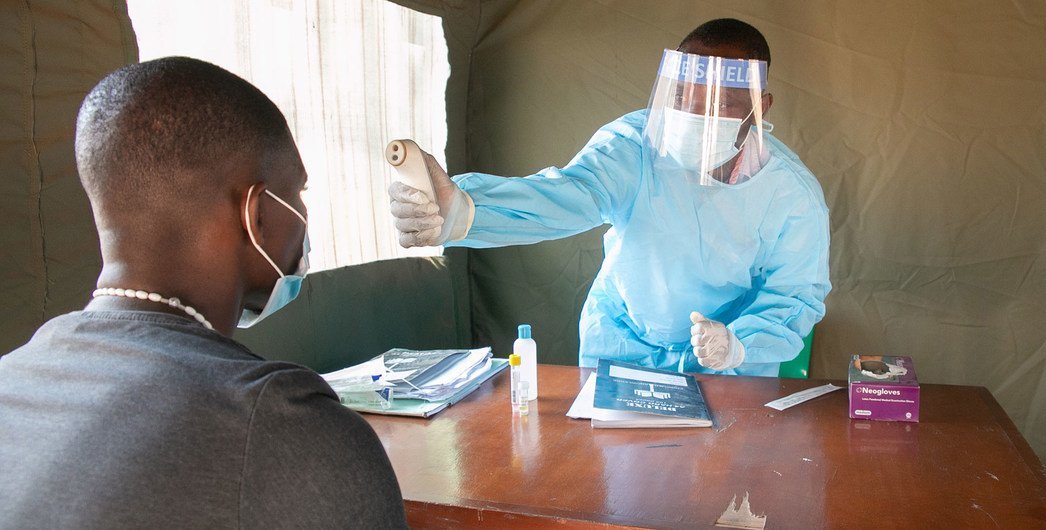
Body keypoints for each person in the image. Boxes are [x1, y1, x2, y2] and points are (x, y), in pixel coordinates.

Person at [0, 57, 408, 528]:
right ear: (255, 215)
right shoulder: (285, 426)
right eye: (298, 192)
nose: (301, 213)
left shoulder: (13, 375)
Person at [390, 19, 830, 377]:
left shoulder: (790, 195)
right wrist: (466, 208)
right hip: (621, 344)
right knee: (618, 477)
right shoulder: (635, 144)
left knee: (724, 480)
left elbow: (794, 296)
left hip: (728, 359)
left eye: (720, 105)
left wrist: (738, 346)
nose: (695, 117)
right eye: (682, 98)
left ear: (761, 107)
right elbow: (571, 193)